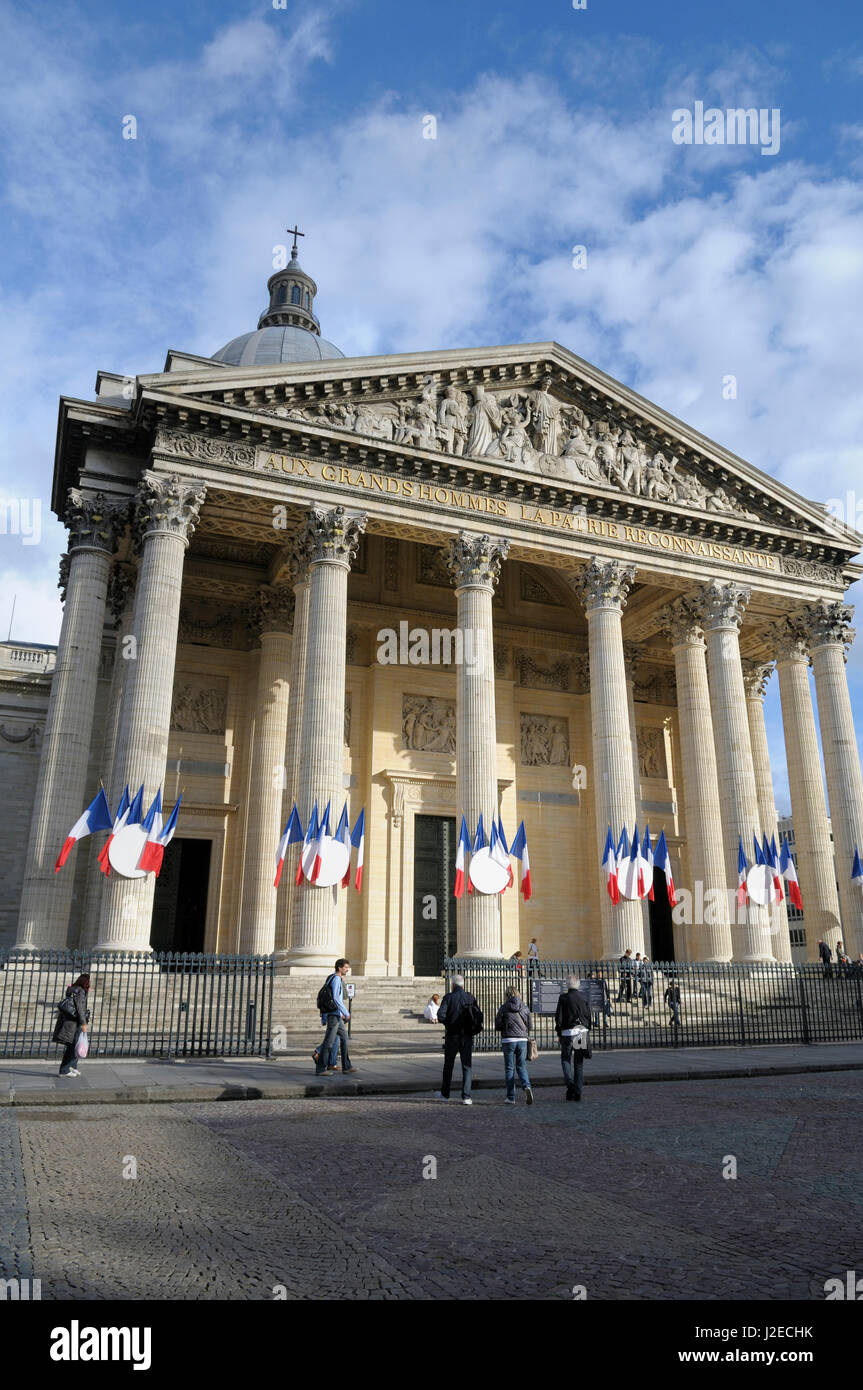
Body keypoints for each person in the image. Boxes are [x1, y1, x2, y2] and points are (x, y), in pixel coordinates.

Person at [436, 974, 480, 1104]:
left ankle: (445, 1095)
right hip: (466, 1036)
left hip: (452, 1036)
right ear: (463, 985)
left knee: (448, 1065)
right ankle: (466, 1097)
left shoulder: (449, 998)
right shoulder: (470, 997)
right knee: (467, 1066)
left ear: (453, 985)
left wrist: (449, 1025)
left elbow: (440, 1015)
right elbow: (478, 1015)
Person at [314, 959, 356, 1077]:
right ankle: (321, 1068)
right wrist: (346, 1013)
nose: (347, 969)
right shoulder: (336, 979)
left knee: (344, 1038)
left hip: (335, 1014)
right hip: (334, 1015)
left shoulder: (331, 977)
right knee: (329, 1042)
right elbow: (337, 999)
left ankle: (347, 1066)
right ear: (339, 968)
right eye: (346, 967)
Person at [494, 985, 533, 1105]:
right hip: (522, 1040)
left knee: (509, 1068)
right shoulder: (524, 1007)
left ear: (507, 995)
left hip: (508, 1040)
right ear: (518, 994)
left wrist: (506, 1026)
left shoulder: (504, 1007)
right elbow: (530, 1026)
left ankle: (511, 1097)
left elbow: (498, 1025)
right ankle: (526, 1086)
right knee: (521, 1066)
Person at [555, 976, 591, 1101]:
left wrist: (559, 1032)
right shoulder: (583, 997)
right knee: (578, 1062)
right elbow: (588, 1015)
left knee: (565, 1058)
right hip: (581, 1032)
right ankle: (578, 1090)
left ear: (567, 985)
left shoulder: (563, 998)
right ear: (578, 985)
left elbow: (558, 1017)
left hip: (568, 1032)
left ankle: (570, 1084)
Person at [52, 973, 90, 1077]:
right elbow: (80, 1008)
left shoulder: (72, 989)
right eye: (88, 982)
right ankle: (64, 1070)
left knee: (74, 1045)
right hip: (75, 1022)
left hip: (68, 1021)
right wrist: (83, 1023)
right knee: (73, 1046)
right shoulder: (80, 991)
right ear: (85, 982)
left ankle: (72, 1066)